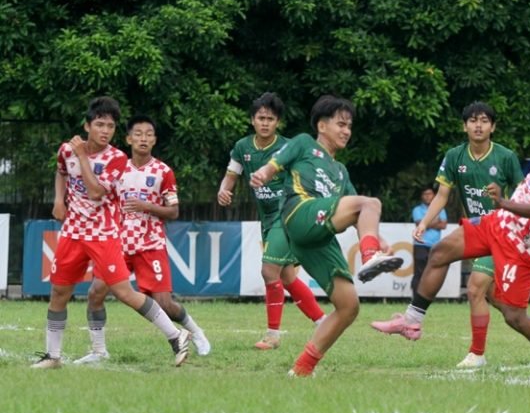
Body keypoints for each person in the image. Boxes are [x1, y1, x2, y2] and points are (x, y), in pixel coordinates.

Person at [371, 103, 530, 379]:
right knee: (441, 251)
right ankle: (411, 321)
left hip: (523, 245)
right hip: (499, 223)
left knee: (514, 316)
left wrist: (502, 201)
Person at [249, 95, 403, 376]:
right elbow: (275, 164)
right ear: (321, 125)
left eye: (349, 126)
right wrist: (263, 172)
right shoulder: (304, 143)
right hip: (299, 214)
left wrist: (376, 238)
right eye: (341, 124)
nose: (346, 131)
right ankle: (369, 256)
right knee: (372, 203)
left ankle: (301, 370)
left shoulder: (341, 172)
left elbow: (357, 212)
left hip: (317, 239)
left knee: (348, 307)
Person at [32, 97, 190, 369]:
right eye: (100, 125)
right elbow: (61, 172)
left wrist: (83, 155)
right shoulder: (66, 150)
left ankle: (176, 335)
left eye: (111, 126)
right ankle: (53, 356)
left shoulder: (116, 158)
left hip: (104, 234)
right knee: (59, 292)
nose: (105, 131)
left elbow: (95, 192)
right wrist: (59, 201)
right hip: (72, 233)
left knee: (124, 292)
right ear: (87, 125)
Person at [75, 115, 211, 364]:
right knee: (95, 293)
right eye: (138, 134)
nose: (143, 138)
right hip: (117, 244)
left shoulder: (163, 172)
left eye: (149, 134)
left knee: (165, 304)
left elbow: (173, 212)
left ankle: (196, 332)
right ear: (128, 139)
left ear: (155, 140)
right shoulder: (117, 168)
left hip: (151, 244)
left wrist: (146, 206)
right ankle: (98, 351)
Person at [401, 101, 524, 369]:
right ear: (464, 125)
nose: (478, 125)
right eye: (472, 120)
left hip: (502, 231)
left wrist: (517, 221)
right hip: (474, 231)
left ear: (493, 126)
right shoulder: (455, 156)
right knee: (491, 295)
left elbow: (523, 196)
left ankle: (477, 354)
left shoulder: (505, 156)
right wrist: (424, 223)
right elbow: (442, 195)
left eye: (484, 120)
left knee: (475, 286)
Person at [217, 93, 326, 350]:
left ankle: (272, 335)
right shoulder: (242, 147)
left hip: (287, 214)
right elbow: (231, 175)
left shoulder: (289, 148)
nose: (265, 123)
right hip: (266, 218)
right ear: (252, 120)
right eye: (260, 118)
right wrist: (224, 190)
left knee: (268, 271)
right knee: (286, 276)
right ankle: (322, 321)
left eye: (270, 119)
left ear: (278, 122)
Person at [411, 186, 447, 293]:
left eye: (430, 194)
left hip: (435, 245)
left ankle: (426, 296)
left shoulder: (441, 208)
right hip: (420, 244)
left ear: (434, 195)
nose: (427, 196)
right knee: (419, 272)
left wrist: (426, 223)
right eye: (425, 194)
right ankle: (415, 296)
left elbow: (443, 225)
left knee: (432, 272)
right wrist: (436, 221)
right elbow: (419, 224)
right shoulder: (417, 209)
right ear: (421, 196)